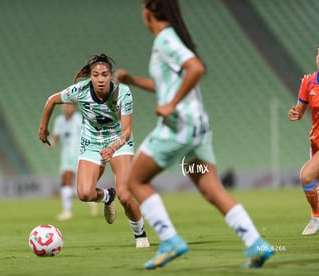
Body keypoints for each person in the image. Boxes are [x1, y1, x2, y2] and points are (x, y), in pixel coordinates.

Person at [115, 0, 273, 269]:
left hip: (179, 128)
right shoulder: (170, 39)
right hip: (198, 132)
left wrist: (171, 104)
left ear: (149, 11)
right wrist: (132, 80)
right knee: (212, 189)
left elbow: (196, 68)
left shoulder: (165, 39)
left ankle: (169, 240)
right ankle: (256, 243)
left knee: (134, 181)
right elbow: (164, 84)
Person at [38, 53, 150, 248]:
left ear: (111, 75)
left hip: (119, 142)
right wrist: (43, 128)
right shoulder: (79, 90)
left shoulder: (123, 92)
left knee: (125, 195)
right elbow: (51, 100)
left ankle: (139, 234)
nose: (100, 79)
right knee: (84, 194)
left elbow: (127, 131)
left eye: (105, 75)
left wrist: (113, 147)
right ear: (90, 76)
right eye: (96, 75)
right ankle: (107, 196)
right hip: (91, 142)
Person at [288, 46, 319, 235]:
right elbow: (299, 112)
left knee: (306, 175)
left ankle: (315, 219)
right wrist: (294, 114)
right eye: (318, 54)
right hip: (315, 143)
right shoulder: (308, 82)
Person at [50, 104, 98, 221]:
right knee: (66, 180)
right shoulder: (59, 120)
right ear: (62, 108)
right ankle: (68, 211)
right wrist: (51, 143)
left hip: (79, 154)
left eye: (70, 106)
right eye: (66, 106)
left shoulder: (79, 119)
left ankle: (90, 199)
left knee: (79, 184)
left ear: (74, 108)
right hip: (66, 155)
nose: (68, 108)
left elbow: (88, 133)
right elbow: (55, 136)